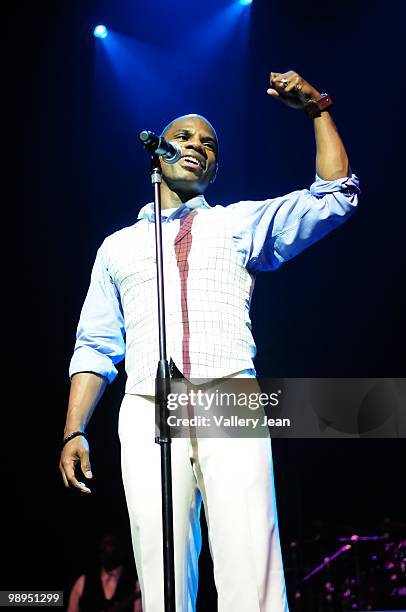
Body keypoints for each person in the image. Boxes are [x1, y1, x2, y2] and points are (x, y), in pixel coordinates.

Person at [59, 70, 360, 612]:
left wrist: (318, 109)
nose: (199, 146)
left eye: (210, 144)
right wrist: (73, 430)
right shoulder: (118, 247)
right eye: (187, 137)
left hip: (228, 392)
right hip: (147, 404)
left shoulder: (239, 223)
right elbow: (96, 345)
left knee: (250, 563)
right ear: (158, 153)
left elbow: (335, 197)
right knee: (161, 570)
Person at [67, 532, 142, 612]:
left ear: (122, 550)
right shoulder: (83, 581)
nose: (105, 548)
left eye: (110, 544)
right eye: (103, 545)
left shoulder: (135, 584)